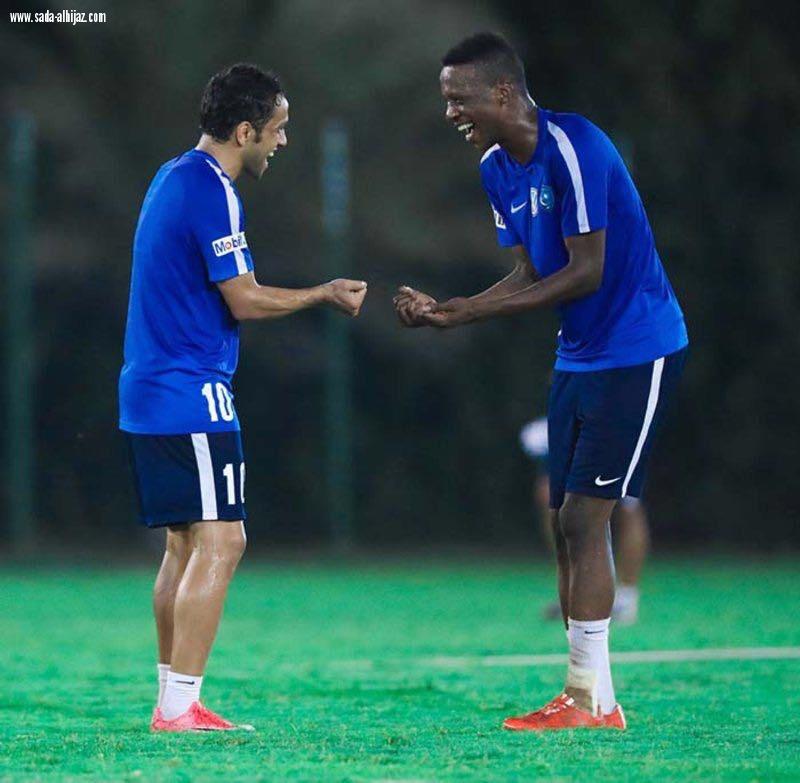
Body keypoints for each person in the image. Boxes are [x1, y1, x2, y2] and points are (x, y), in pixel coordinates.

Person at [394, 32, 687, 731]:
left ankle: (590, 698)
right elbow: (529, 272)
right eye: (445, 102)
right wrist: (451, 307)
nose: (451, 114)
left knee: (588, 516)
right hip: (579, 354)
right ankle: (589, 695)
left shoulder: (576, 146)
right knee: (565, 523)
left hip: (637, 346)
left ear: (502, 93)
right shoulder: (498, 168)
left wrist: (465, 313)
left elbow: (585, 271)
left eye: (459, 100)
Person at [119, 64, 367, 732]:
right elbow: (246, 298)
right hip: (189, 388)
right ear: (245, 129)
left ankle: (171, 700)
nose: (282, 143)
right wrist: (323, 292)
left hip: (148, 384)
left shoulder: (171, 175)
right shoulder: (213, 191)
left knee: (185, 543)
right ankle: (179, 707)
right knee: (225, 540)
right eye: (278, 130)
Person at [520, 418, 648, 626]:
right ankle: (574, 589)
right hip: (577, 420)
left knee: (627, 505)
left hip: (618, 418)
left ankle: (626, 597)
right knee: (549, 495)